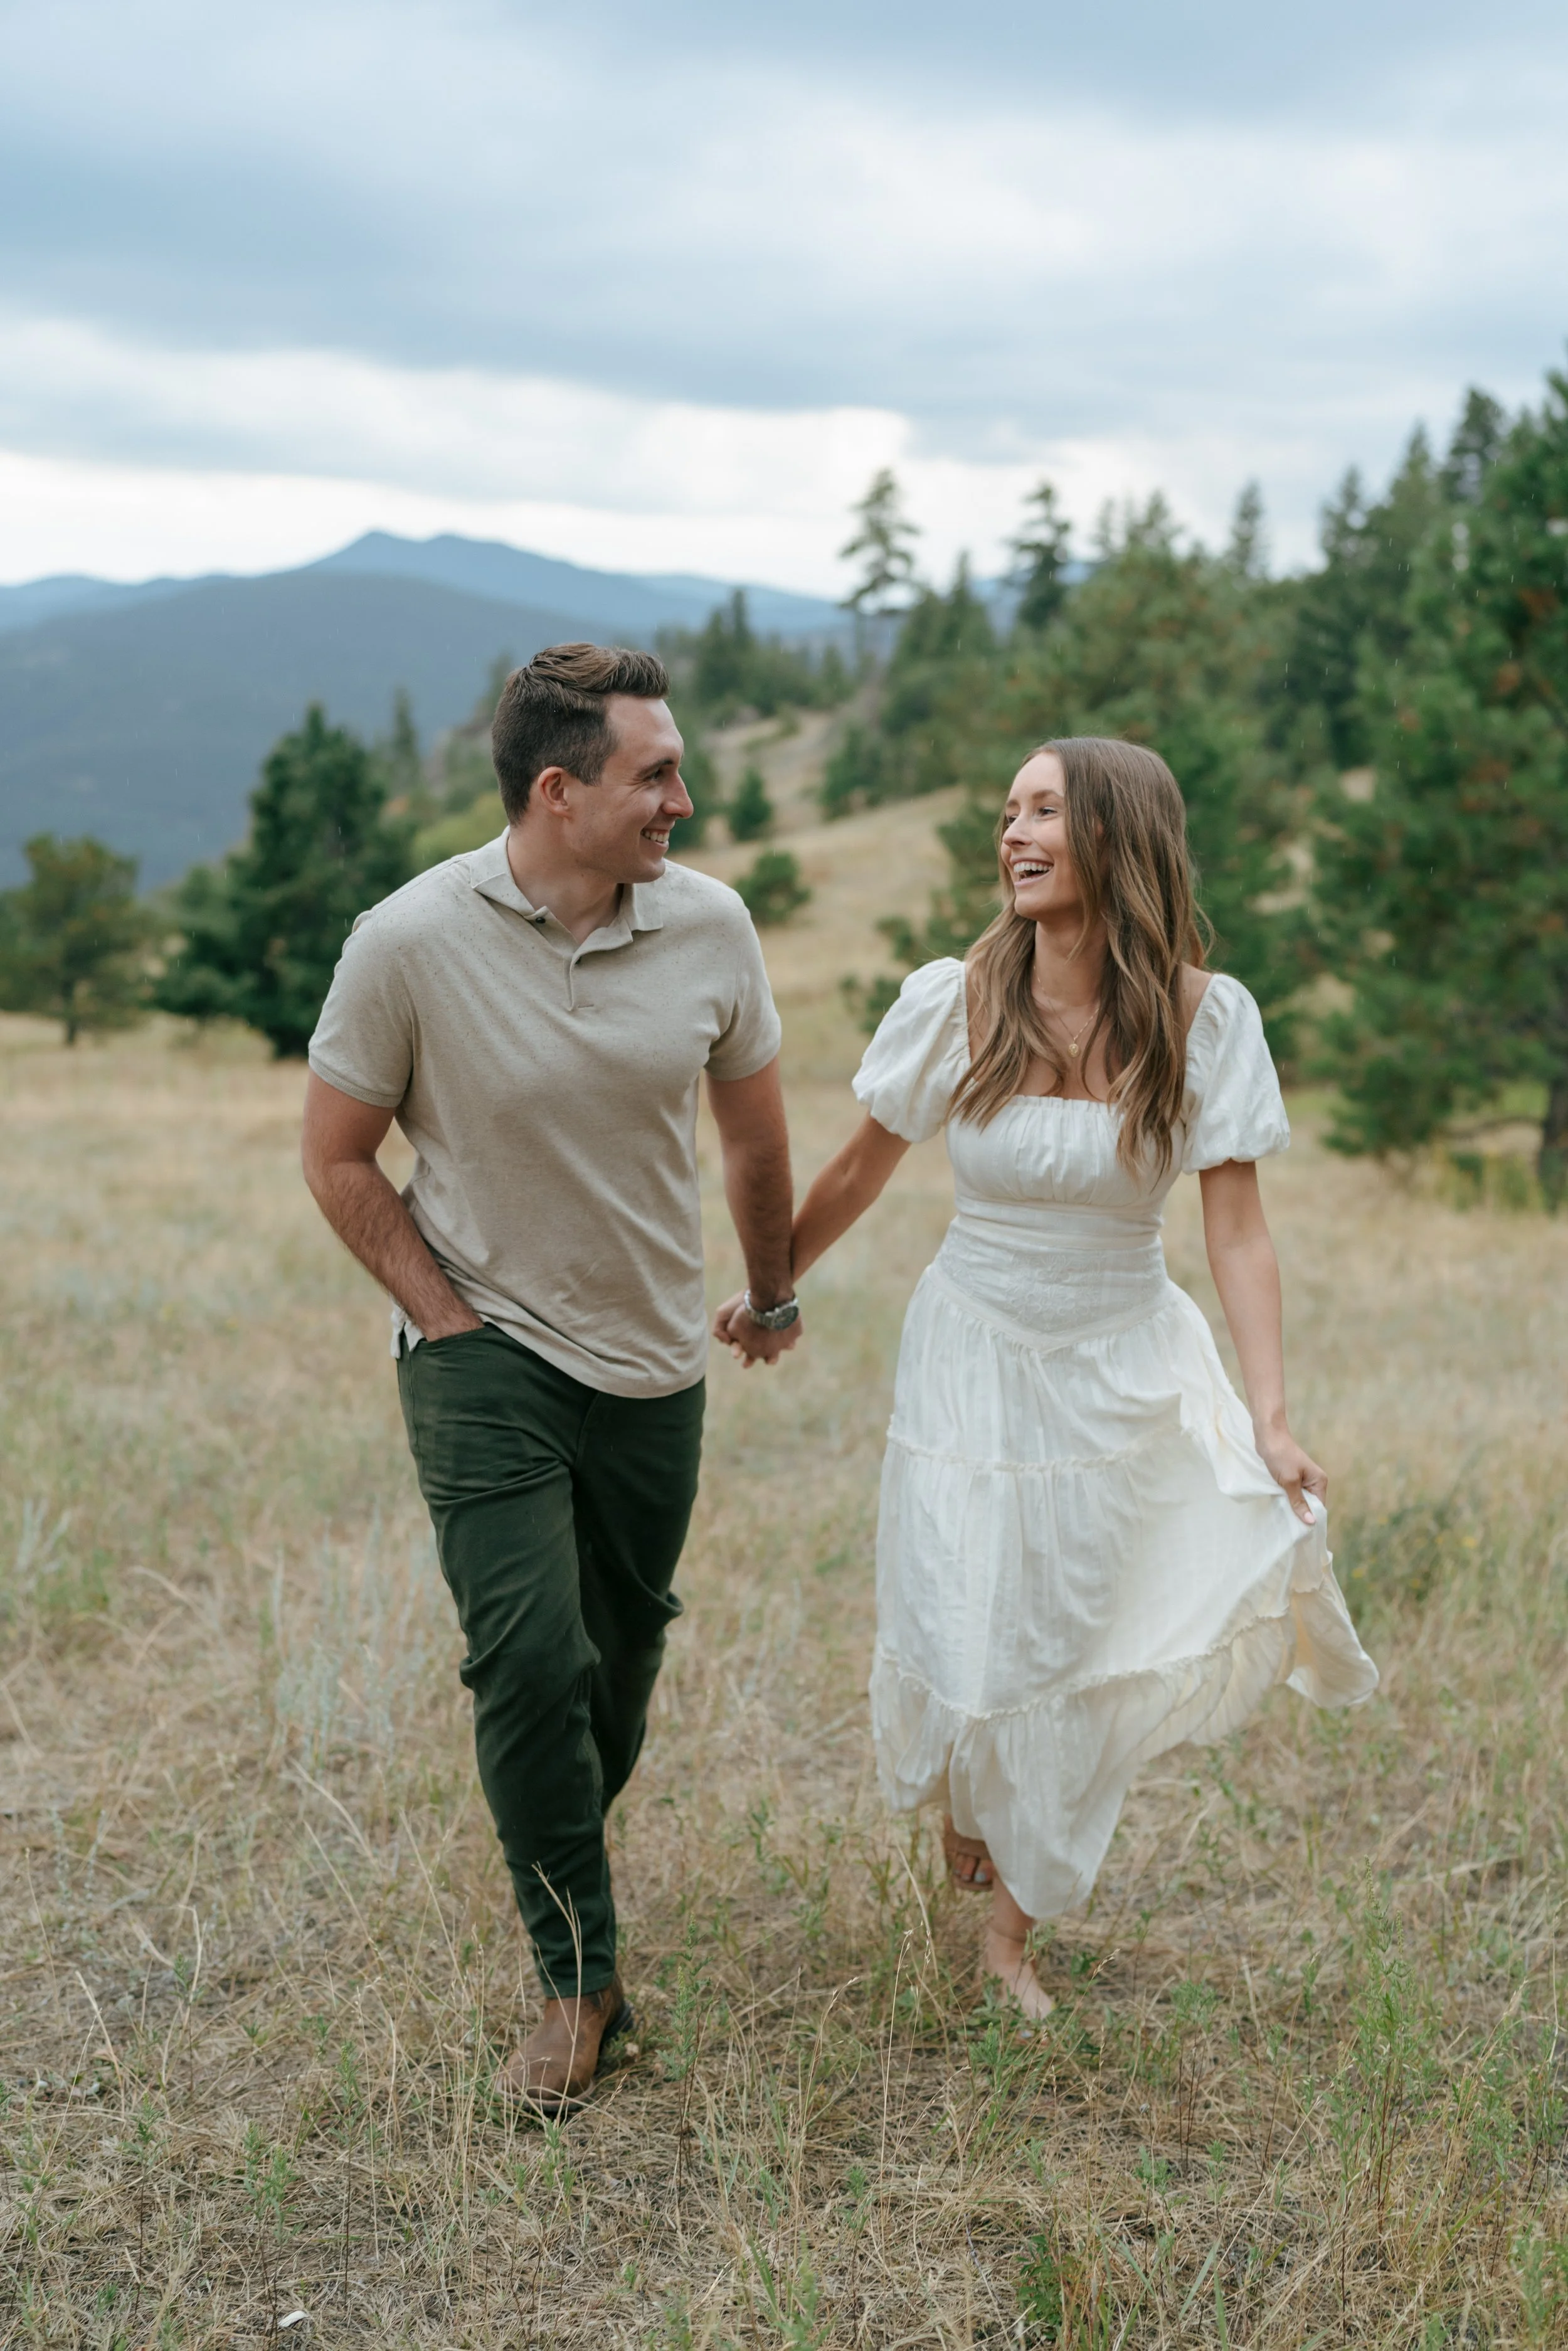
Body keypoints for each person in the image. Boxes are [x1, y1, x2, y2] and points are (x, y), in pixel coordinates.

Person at [720, 735, 1377, 2019]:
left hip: (1120, 1358)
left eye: (1042, 813)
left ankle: (1010, 1930)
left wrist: (1271, 1417)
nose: (1011, 836)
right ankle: (970, 1797)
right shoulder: (958, 997)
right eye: (1007, 812)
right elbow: (859, 1168)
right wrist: (772, 1285)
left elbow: (1236, 1231)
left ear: (1116, 837)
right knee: (963, 1607)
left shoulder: (1203, 1017)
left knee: (1074, 1635)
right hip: (969, 1349)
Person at [302, 643, 802, 2110]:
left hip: (650, 1359)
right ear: (557, 790)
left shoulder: (709, 924)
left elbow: (754, 1137)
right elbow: (335, 1157)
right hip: (484, 1351)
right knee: (526, 1660)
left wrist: (773, 1289)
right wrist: (445, 1322)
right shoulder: (406, 941)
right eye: (656, 774)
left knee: (612, 1673)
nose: (682, 801)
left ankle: (557, 1840)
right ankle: (578, 1979)